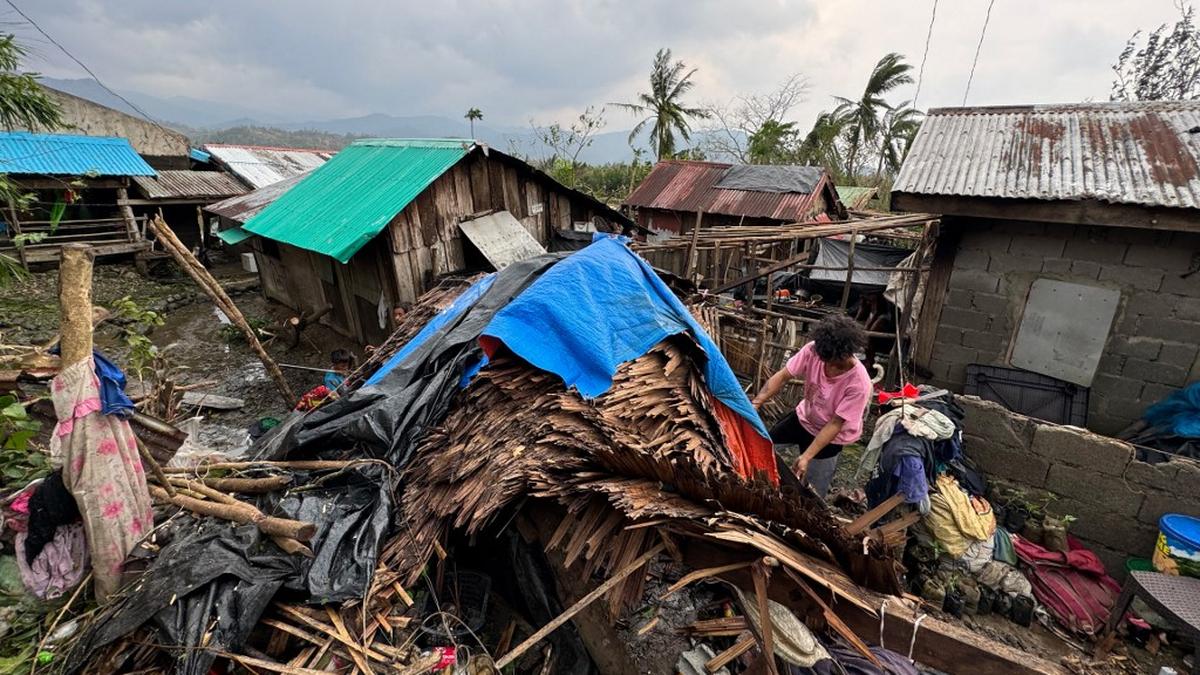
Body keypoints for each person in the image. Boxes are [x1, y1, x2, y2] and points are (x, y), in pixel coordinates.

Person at [751, 314, 871, 498]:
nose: (826, 365)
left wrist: (806, 456)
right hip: (803, 418)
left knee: (813, 492)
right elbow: (783, 376)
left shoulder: (859, 383)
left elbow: (835, 423)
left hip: (831, 437)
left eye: (832, 361)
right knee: (761, 446)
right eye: (823, 359)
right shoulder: (814, 351)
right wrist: (756, 403)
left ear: (846, 354)